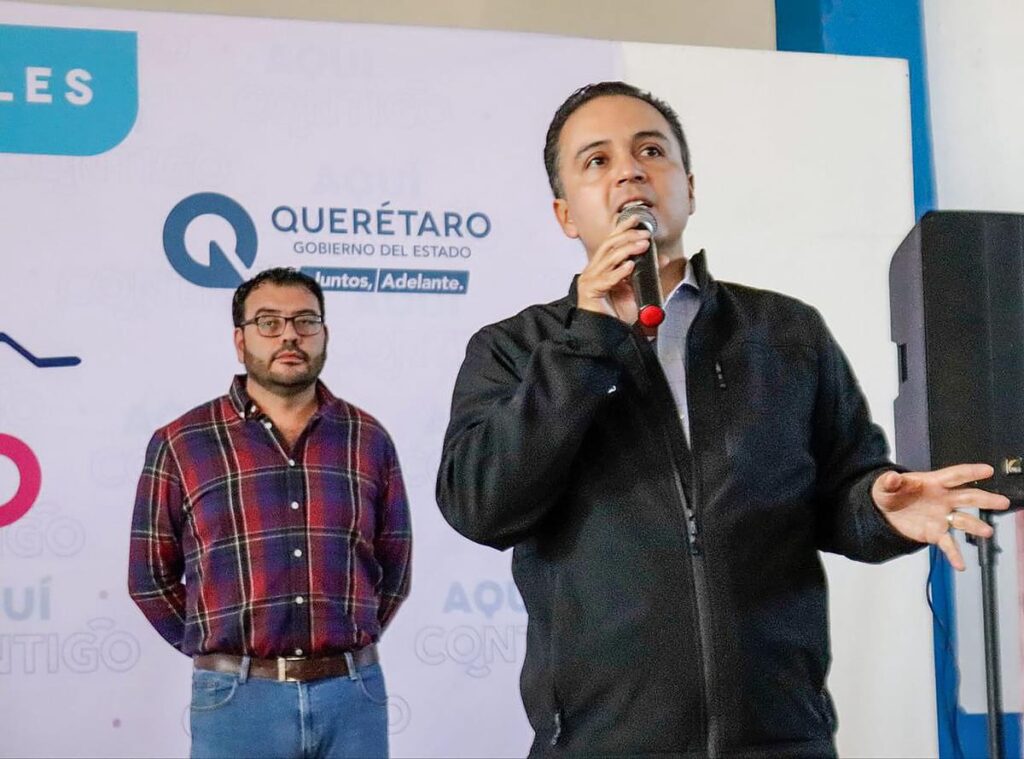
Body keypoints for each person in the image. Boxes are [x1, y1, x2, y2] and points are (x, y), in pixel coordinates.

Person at [435, 81, 1008, 757]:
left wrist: (878, 508)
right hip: (602, 743)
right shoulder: (516, 348)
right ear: (566, 214)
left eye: (652, 151)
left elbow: (841, 493)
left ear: (689, 187)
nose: (630, 171)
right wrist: (586, 340)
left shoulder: (785, 332)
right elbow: (480, 504)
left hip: (780, 736)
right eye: (597, 160)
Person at [129, 267, 411, 759]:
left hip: (352, 696)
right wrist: (219, 649)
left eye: (306, 321)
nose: (289, 335)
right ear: (240, 341)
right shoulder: (182, 442)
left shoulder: (367, 438)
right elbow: (148, 578)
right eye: (269, 322)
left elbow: (394, 566)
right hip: (237, 701)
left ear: (324, 334)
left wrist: (343, 643)